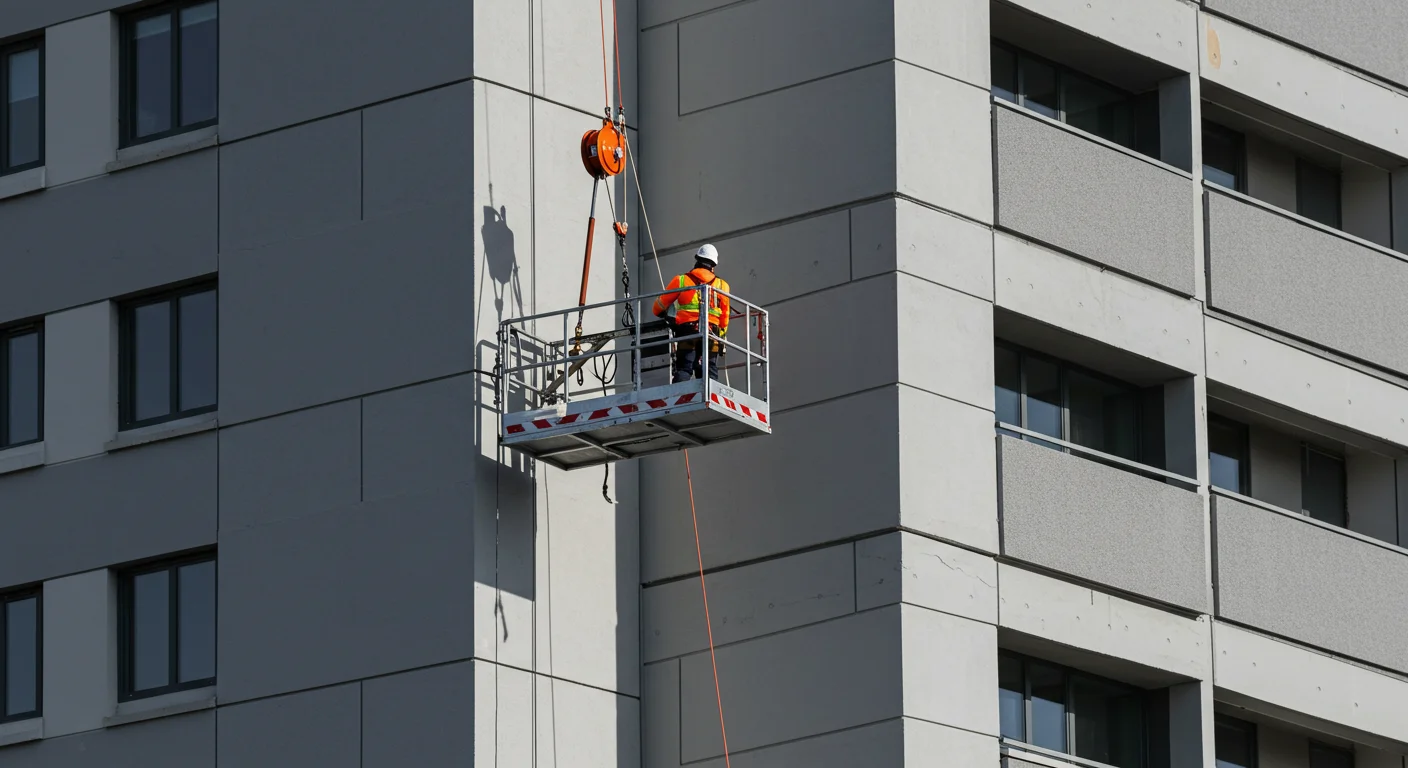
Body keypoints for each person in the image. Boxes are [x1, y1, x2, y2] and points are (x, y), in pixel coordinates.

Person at [653, 244, 731, 383]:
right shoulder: (722, 286)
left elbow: (657, 308)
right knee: (709, 371)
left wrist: (668, 316)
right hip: (711, 334)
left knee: (684, 368)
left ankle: (680, 394)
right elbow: (724, 319)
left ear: (697, 260)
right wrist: (720, 336)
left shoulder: (681, 280)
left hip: (687, 332)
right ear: (713, 265)